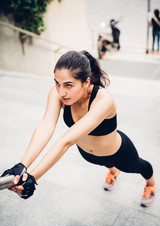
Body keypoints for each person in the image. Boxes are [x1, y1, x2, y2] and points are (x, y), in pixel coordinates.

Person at [1, 50, 156, 206]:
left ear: (86, 82)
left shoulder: (103, 99)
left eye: (68, 85)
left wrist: (33, 177)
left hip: (117, 152)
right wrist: (22, 165)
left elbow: (66, 141)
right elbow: (46, 125)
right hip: (88, 155)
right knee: (106, 165)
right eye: (57, 83)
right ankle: (113, 172)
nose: (62, 92)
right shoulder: (58, 94)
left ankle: (151, 184)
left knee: (140, 166)